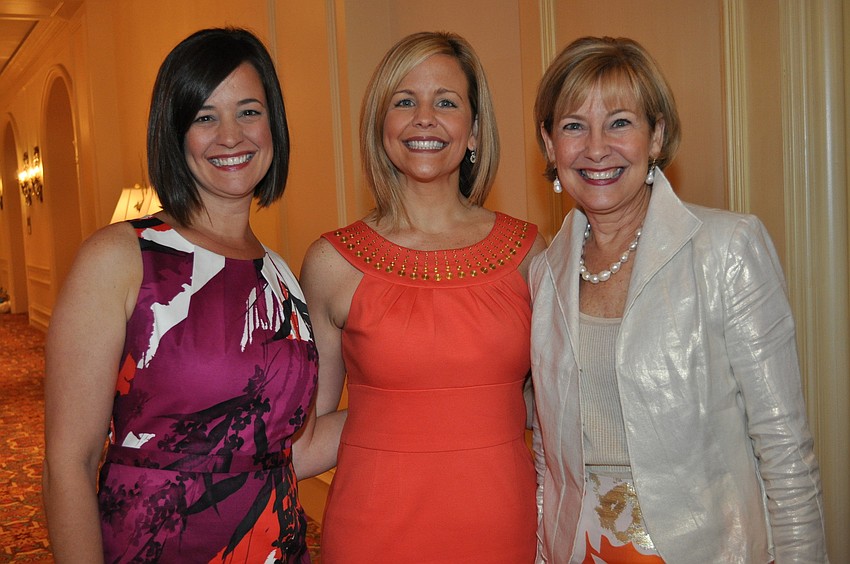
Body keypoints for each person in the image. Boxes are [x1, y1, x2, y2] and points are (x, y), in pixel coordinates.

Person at [43, 27, 341, 563]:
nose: (232, 136)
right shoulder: (121, 257)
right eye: (206, 116)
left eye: (249, 111)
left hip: (275, 546)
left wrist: (429, 396)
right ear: (175, 132)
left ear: (274, 124)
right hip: (153, 546)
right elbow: (71, 462)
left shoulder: (283, 280)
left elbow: (295, 450)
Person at [529, 35, 828, 563]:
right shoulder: (543, 274)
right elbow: (545, 451)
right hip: (579, 550)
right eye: (574, 126)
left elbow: (784, 448)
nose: (596, 148)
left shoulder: (727, 249)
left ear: (657, 136)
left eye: (620, 122)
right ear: (551, 147)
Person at [300, 31, 546, 563]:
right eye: (404, 101)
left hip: (502, 526)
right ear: (380, 127)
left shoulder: (531, 252)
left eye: (446, 102)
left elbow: (544, 405)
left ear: (474, 130)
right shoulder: (331, 262)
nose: (424, 117)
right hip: (374, 530)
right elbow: (309, 433)